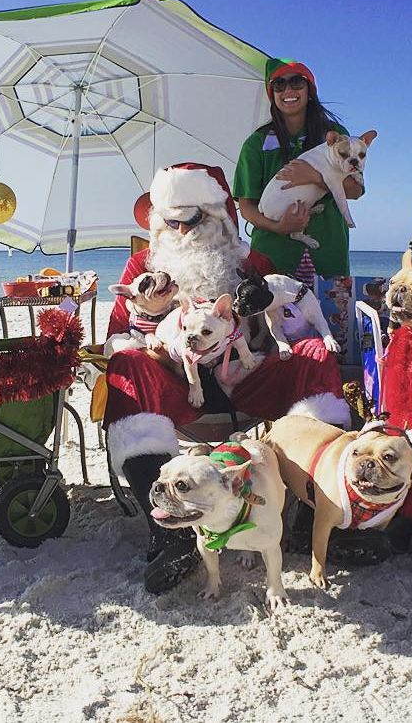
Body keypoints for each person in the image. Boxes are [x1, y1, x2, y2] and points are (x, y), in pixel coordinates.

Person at [104, 163, 350, 594]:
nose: (181, 232)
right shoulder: (140, 268)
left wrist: (266, 306)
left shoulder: (251, 262)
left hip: (249, 375)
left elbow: (292, 326)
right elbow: (116, 339)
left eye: (193, 218)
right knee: (127, 367)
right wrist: (148, 325)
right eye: (170, 221)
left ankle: (322, 509)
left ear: (218, 217)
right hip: (176, 382)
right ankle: (173, 534)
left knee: (313, 354)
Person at [232, 58, 364, 286]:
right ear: (271, 94)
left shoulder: (335, 135)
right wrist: (278, 227)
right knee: (272, 319)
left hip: (328, 247)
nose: (288, 90)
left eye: (296, 82)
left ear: (310, 90)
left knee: (330, 317)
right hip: (273, 253)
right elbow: (246, 207)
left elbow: (355, 190)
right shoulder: (256, 143)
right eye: (279, 85)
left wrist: (314, 177)